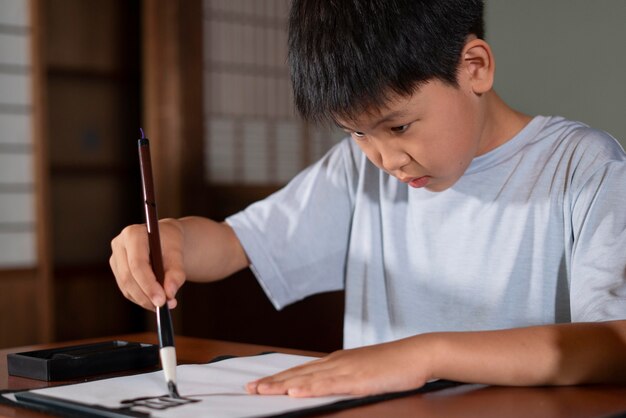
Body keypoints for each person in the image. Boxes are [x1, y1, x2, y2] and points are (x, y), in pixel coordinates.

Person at [110, 0, 626, 398]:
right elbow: (232, 243)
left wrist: (426, 354)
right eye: (356, 132)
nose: (384, 158)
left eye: (399, 125)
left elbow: (614, 345)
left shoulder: (581, 167)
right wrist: (171, 237)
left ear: (475, 67)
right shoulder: (360, 171)